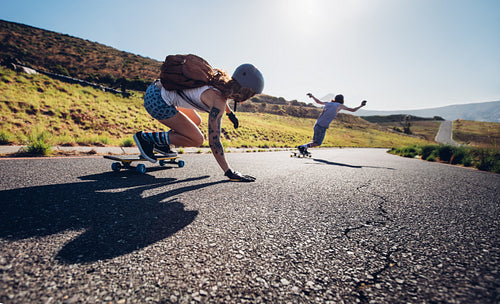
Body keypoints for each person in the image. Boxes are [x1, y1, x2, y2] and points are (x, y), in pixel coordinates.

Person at [134, 63, 264, 182]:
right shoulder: (218, 101)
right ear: (246, 92)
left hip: (156, 89)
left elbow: (221, 96)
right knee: (197, 140)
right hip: (157, 101)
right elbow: (214, 141)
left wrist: (230, 114)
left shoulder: (220, 81)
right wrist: (229, 172)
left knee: (196, 120)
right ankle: (146, 138)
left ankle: (162, 143)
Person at [297, 93, 367, 155]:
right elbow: (352, 110)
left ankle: (304, 148)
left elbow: (318, 102)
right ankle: (302, 147)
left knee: (314, 141)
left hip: (317, 124)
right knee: (318, 143)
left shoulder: (328, 103)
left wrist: (312, 96)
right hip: (322, 126)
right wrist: (361, 105)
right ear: (342, 100)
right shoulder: (339, 105)